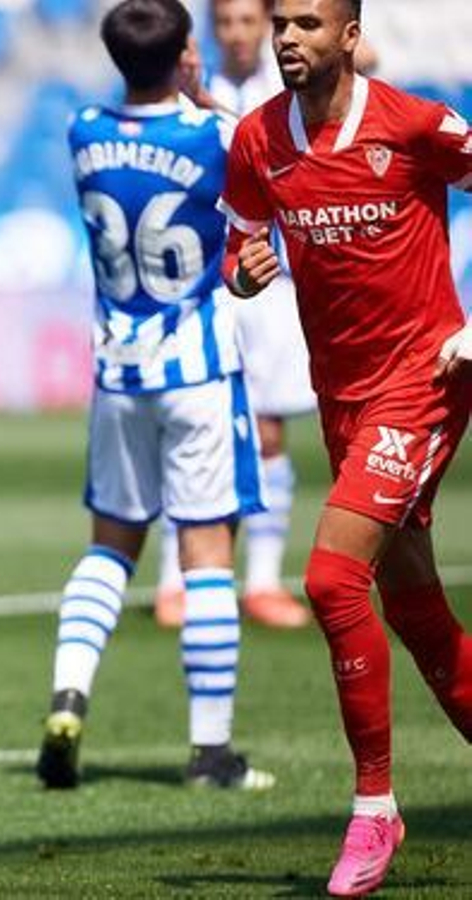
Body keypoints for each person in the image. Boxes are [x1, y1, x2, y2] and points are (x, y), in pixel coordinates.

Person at [220, 0, 472, 894]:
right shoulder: (256, 138)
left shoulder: (415, 124)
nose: (289, 38)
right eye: (281, 22)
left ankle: (375, 808)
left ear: (351, 37)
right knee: (414, 612)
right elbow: (241, 242)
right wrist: (243, 274)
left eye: (309, 24)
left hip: (426, 380)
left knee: (331, 580)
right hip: (346, 399)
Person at [35, 0, 275, 794]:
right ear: (185, 56)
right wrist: (205, 95)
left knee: (109, 548)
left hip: (117, 375)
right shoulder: (215, 134)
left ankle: (68, 698)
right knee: (207, 552)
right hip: (198, 372)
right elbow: (252, 150)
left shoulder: (81, 131)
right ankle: (211, 752)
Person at [153, 0, 315, 630]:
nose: (239, 34)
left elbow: (277, 156)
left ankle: (265, 582)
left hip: (271, 284)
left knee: (269, 432)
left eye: (251, 22)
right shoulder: (187, 88)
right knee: (193, 426)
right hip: (204, 283)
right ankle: (176, 579)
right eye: (226, 23)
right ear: (211, 30)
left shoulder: (291, 85)